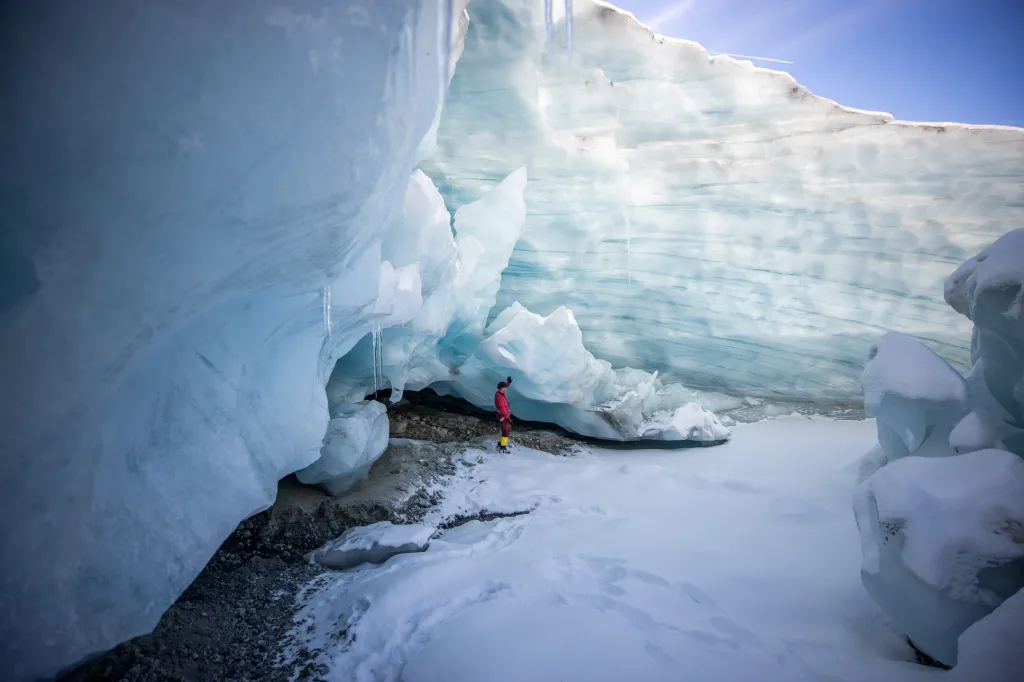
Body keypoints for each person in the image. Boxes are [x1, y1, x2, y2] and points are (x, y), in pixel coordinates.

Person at [495, 376, 513, 453]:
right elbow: (502, 408)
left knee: (506, 430)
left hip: (504, 415)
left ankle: (500, 444)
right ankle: (502, 447)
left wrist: (508, 383)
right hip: (503, 415)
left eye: (505, 388)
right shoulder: (500, 397)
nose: (505, 389)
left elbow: (504, 387)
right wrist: (507, 417)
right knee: (506, 431)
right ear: (500, 388)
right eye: (504, 388)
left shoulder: (500, 392)